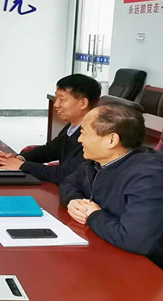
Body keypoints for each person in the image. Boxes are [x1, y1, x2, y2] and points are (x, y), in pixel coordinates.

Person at [60, 104, 163, 268]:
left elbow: (136, 240)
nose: (79, 140)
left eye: (84, 133)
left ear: (111, 140)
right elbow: (69, 182)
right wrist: (74, 201)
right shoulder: (97, 162)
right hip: (107, 249)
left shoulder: (148, 176)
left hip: (146, 269)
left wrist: (93, 215)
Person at [0, 74, 101, 185]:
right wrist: (20, 158)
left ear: (83, 103)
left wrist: (22, 166)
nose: (56, 104)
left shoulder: (93, 136)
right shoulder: (72, 127)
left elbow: (66, 175)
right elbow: (50, 150)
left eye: (62, 100)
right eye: (56, 98)